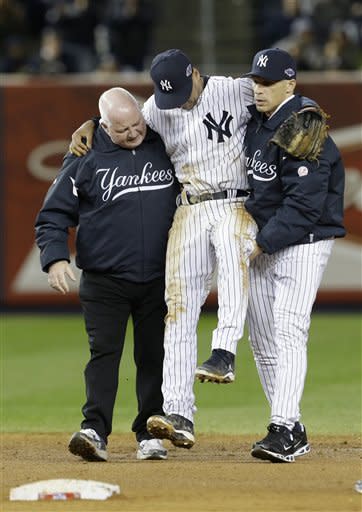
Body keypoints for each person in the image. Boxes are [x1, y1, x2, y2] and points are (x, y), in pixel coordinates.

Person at [69, 49, 259, 449]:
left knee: (232, 254)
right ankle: (177, 412)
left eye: (182, 90)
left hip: (234, 201)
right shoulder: (157, 107)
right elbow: (119, 123)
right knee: (178, 308)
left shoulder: (235, 89)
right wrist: (87, 123)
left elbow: (276, 94)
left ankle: (224, 350)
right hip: (189, 205)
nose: (178, 102)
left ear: (194, 72)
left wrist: (304, 106)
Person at [35, 87, 179, 461]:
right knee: (104, 355)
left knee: (154, 355)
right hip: (104, 279)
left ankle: (150, 432)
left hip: (161, 276)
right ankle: (94, 431)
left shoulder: (164, 142)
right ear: (103, 125)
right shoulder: (84, 154)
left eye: (137, 125)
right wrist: (55, 259)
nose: (133, 134)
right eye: (122, 130)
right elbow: (52, 214)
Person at [242, 48, 346, 463]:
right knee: (263, 337)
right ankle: (291, 425)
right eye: (255, 81)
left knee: (288, 330)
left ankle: (283, 426)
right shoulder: (256, 121)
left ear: (291, 83)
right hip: (267, 240)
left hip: (304, 240)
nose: (259, 89)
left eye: (268, 83)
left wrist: (259, 244)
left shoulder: (303, 123)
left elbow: (304, 206)